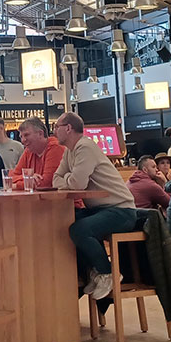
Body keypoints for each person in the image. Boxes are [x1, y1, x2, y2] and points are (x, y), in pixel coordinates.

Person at [52, 112, 137, 300]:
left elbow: (77, 185)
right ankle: (92, 271)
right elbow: (55, 179)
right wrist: (69, 178)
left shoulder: (85, 147)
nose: (54, 131)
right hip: (99, 209)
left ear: (68, 128)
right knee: (66, 222)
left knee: (79, 229)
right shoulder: (70, 151)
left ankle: (107, 274)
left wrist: (67, 179)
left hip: (121, 210)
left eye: (56, 127)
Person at [8, 117, 66, 190]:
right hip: (41, 200)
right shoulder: (28, 150)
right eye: (21, 136)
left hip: (65, 200)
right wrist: (27, 178)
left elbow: (46, 183)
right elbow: (12, 177)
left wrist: (16, 186)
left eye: (26, 135)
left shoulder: (55, 148)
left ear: (40, 134)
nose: (23, 140)